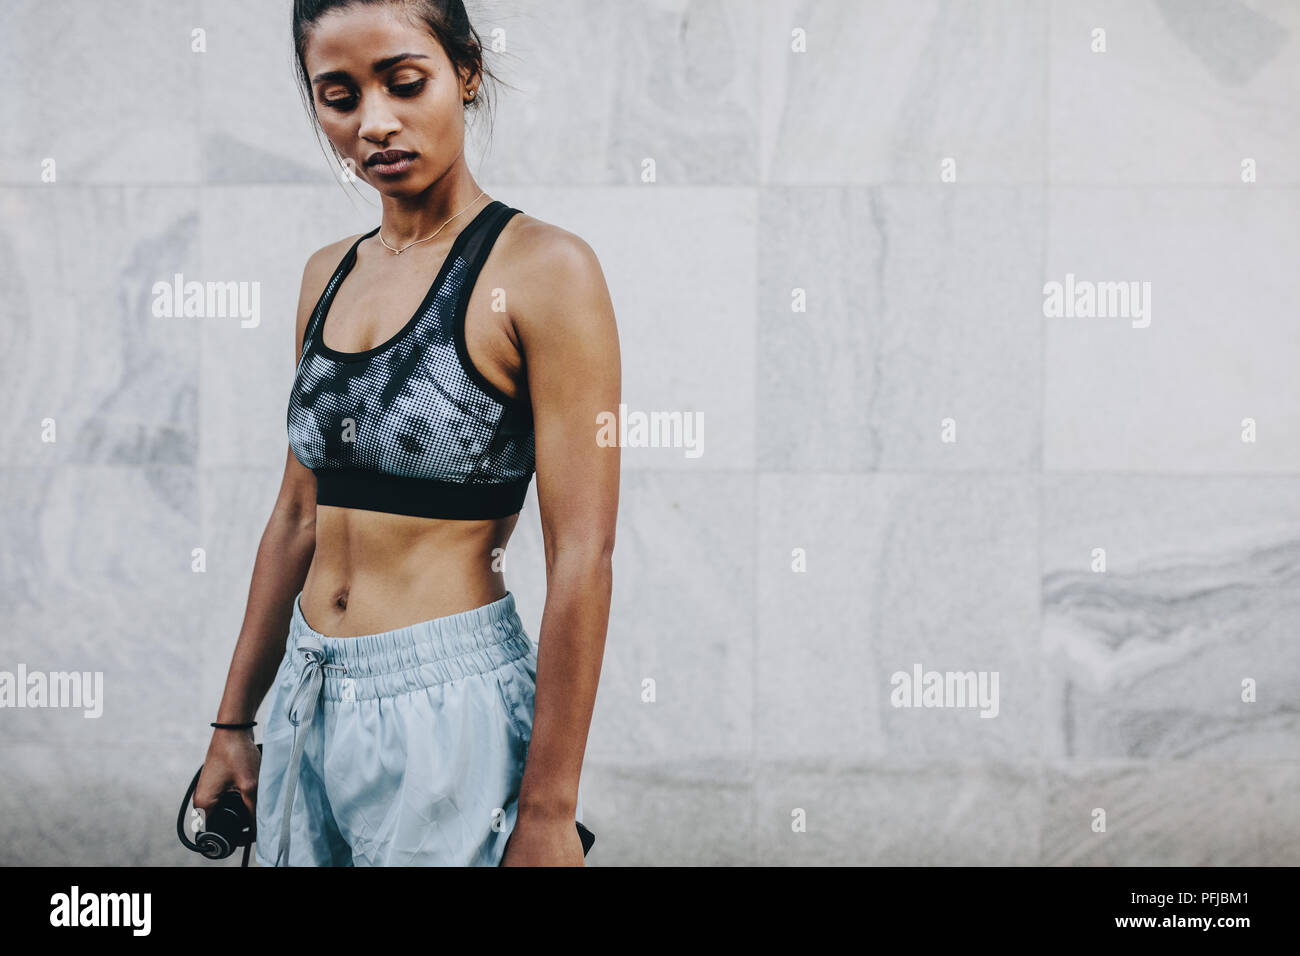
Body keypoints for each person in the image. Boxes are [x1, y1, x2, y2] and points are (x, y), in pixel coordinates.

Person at [193, 0, 619, 866]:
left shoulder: (543, 270)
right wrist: (234, 722)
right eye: (339, 96)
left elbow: (583, 553)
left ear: (465, 73)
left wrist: (546, 810)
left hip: (448, 707)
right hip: (310, 698)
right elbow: (296, 516)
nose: (374, 123)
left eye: (404, 82)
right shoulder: (328, 274)